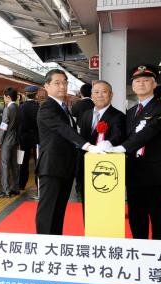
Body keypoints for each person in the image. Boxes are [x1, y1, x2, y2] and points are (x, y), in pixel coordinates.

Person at [107, 64, 161, 240]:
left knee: (157, 216)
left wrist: (120, 148)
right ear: (133, 85)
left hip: (154, 174)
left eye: (146, 80)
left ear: (154, 84)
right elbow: (122, 135)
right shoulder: (130, 112)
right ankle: (139, 249)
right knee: (136, 215)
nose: (141, 84)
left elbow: (146, 133)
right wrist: (106, 144)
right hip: (133, 172)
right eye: (137, 81)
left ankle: (159, 253)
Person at [35, 69, 104, 235]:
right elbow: (64, 130)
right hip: (51, 168)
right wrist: (88, 146)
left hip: (64, 168)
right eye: (57, 83)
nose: (62, 86)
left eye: (65, 82)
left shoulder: (63, 107)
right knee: (48, 211)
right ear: (47, 86)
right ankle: (44, 245)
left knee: (58, 211)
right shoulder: (47, 108)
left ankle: (55, 243)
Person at [77, 80, 125, 217]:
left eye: (104, 92)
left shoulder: (118, 115)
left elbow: (118, 135)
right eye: (96, 92)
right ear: (91, 95)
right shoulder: (85, 114)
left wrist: (109, 143)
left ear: (111, 95)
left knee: (106, 211)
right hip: (85, 168)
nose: (99, 95)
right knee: (87, 208)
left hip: (106, 170)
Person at [0, 87, 20, 198]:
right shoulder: (18, 108)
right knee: (14, 164)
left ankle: (5, 190)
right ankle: (15, 188)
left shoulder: (7, 109)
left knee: (4, 164)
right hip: (15, 140)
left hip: (7, 140)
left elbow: (3, 126)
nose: (4, 99)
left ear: (8, 97)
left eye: (4, 97)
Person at [18, 85, 40, 190]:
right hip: (37, 138)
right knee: (37, 162)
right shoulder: (38, 107)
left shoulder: (21, 107)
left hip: (24, 139)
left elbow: (19, 125)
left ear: (26, 95)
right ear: (35, 95)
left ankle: (21, 184)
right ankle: (38, 183)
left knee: (22, 162)